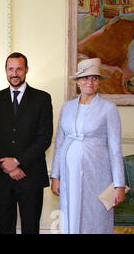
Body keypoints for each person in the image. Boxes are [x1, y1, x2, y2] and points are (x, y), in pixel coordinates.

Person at [51, 57, 126, 234]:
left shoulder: (108, 108)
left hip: (97, 174)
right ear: (77, 82)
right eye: (84, 78)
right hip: (69, 174)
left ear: (99, 82)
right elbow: (60, 143)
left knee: (95, 217)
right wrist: (56, 176)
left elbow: (115, 149)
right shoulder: (67, 107)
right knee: (70, 214)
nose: (89, 82)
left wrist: (119, 185)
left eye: (94, 78)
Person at [0, 52, 53, 234]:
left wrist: (17, 162)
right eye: (10, 69)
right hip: (2, 177)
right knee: (4, 228)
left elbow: (44, 138)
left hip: (31, 175)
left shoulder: (42, 99)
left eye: (19, 69)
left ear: (26, 70)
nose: (14, 73)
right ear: (6, 71)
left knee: (31, 228)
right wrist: (8, 166)